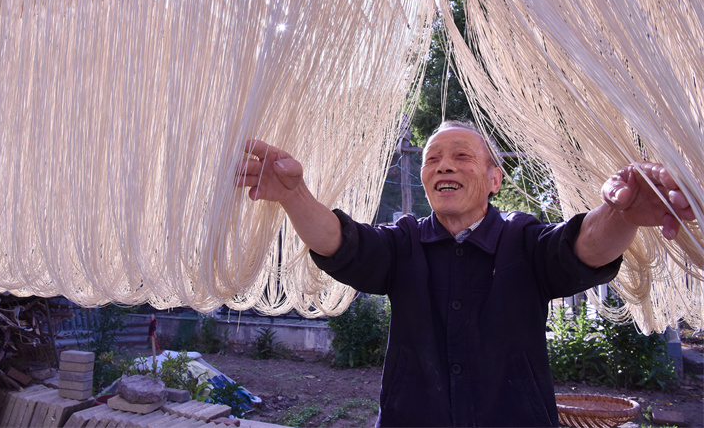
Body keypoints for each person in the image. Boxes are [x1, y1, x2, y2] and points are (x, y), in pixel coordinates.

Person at [235, 120, 693, 427]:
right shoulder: (403, 241)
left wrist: (623, 215)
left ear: (495, 179)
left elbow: (580, 248)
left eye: (461, 156)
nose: (444, 165)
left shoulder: (524, 239)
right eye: (433, 159)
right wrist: (294, 196)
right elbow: (342, 242)